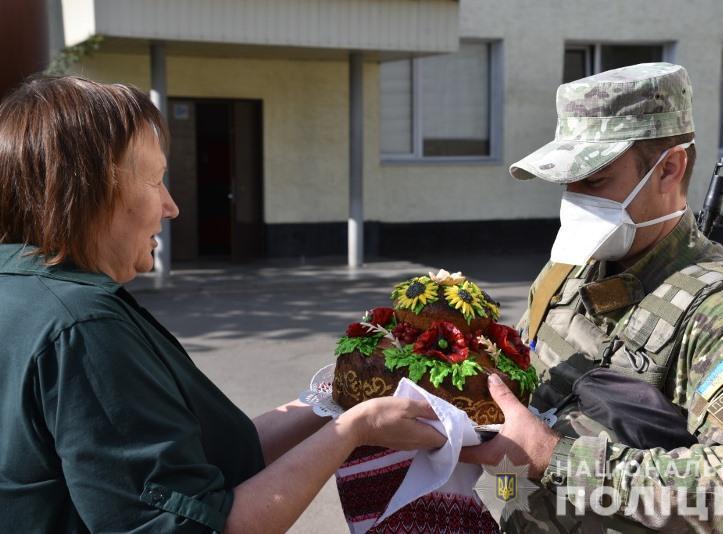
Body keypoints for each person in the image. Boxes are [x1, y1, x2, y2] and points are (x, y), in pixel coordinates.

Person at [0, 75, 446, 533]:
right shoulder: (85, 328)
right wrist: (357, 428)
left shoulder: (25, 293)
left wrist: (335, 399)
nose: (171, 207)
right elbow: (193, 525)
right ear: (89, 193)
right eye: (154, 181)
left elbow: (213, 460)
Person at [461, 63, 723, 532]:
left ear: (670, 169)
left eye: (595, 180)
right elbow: (525, 396)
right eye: (568, 183)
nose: (575, 200)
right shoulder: (568, 270)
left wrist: (552, 458)